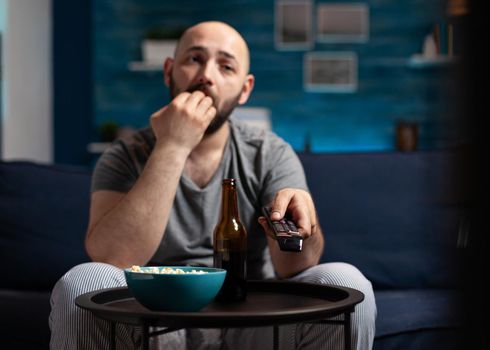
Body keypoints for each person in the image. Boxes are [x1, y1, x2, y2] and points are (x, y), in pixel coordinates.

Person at [49, 21, 376, 350]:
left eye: (225, 66)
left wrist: (306, 229)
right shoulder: (124, 156)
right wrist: (173, 146)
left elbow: (295, 267)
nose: (206, 75)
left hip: (254, 321)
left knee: (347, 281)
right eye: (194, 59)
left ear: (244, 89)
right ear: (168, 72)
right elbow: (111, 257)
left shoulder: (270, 154)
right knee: (82, 282)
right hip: (155, 321)